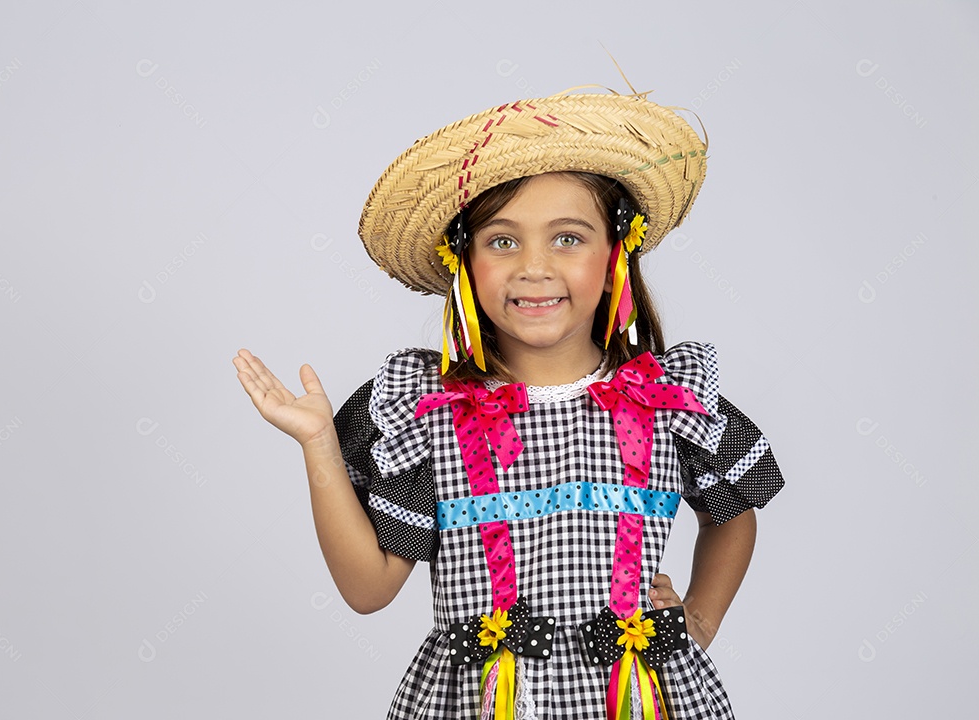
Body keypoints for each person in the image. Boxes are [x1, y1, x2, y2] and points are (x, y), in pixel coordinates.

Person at [233, 84, 784, 719]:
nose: (534, 267)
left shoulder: (665, 399)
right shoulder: (428, 412)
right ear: (463, 261)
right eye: (502, 241)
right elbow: (367, 589)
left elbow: (731, 512)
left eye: (568, 238)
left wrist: (700, 620)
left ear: (615, 253)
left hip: (635, 698)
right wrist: (318, 445)